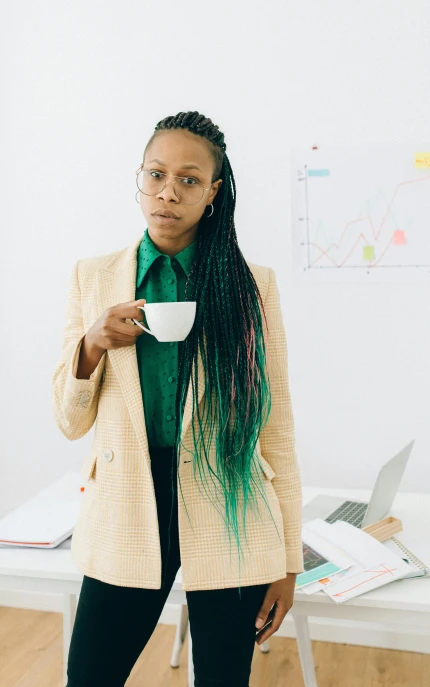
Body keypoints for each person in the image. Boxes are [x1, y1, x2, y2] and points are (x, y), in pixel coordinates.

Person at [51, 110, 305, 686]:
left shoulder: (249, 284)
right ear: (139, 178)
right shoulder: (93, 278)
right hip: (127, 501)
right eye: (156, 175)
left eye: (189, 180)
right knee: (90, 676)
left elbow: (278, 431)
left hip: (230, 505)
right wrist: (92, 344)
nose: (168, 193)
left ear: (213, 192)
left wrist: (287, 562)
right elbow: (69, 422)